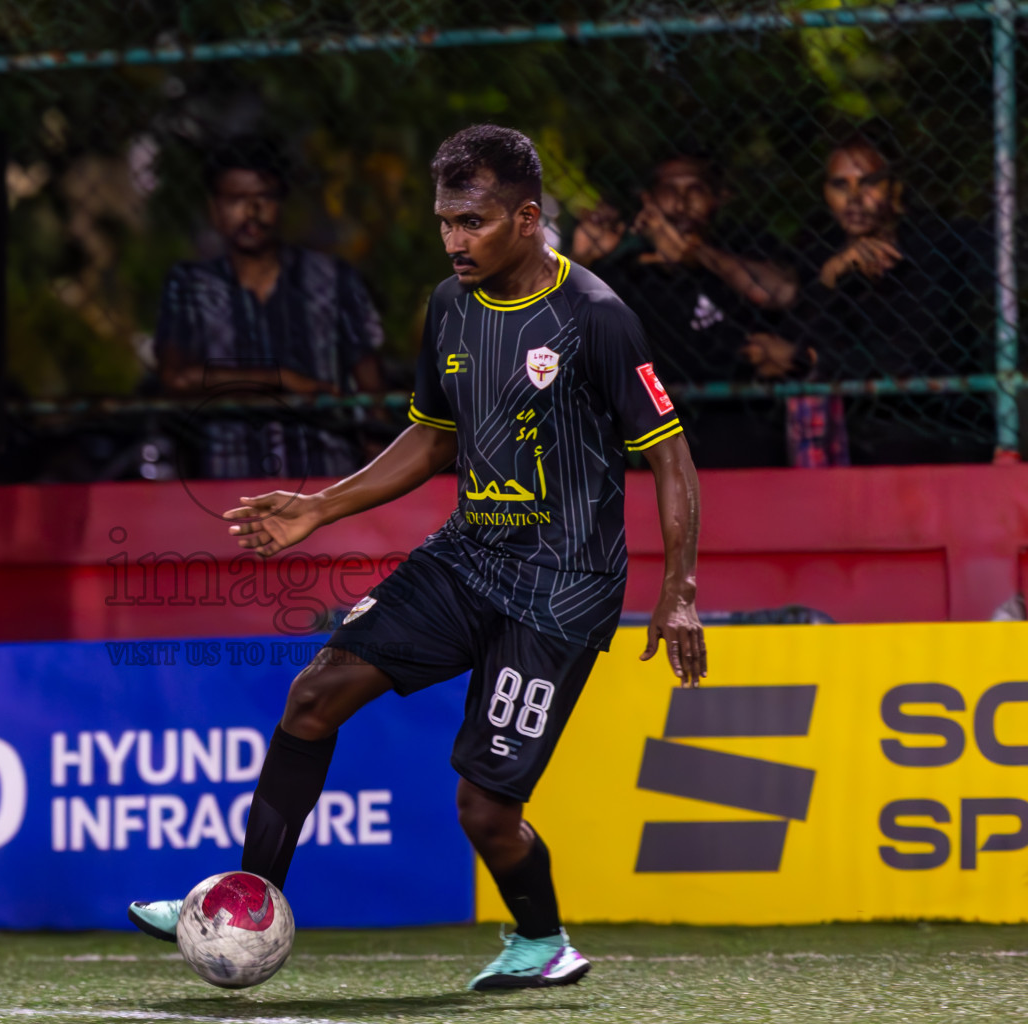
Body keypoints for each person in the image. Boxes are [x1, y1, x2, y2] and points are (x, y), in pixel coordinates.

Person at [128, 124, 707, 992]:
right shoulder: (450, 304)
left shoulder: (597, 316)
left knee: (485, 809)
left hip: (560, 591)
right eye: (444, 221)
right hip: (467, 558)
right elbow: (434, 438)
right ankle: (244, 896)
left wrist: (681, 591)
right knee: (314, 696)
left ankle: (542, 940)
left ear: (526, 217)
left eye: (471, 222)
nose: (453, 240)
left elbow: (670, 455)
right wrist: (319, 508)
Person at [155, 139, 385, 480]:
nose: (251, 211)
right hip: (228, 480)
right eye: (236, 199)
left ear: (281, 203)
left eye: (263, 198)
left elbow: (370, 385)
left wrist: (377, 464)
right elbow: (175, 378)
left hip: (327, 476)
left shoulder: (334, 280)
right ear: (214, 208)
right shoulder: (190, 286)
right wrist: (280, 380)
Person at [762, 135, 993, 464]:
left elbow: (912, 358)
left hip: (941, 427)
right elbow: (786, 344)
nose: (854, 198)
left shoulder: (936, 247)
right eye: (841, 185)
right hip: (855, 434)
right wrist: (830, 279)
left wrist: (812, 359)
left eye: (869, 183)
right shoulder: (817, 255)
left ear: (895, 191)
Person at [582, 155, 797, 467]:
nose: (681, 202)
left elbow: (782, 292)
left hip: (740, 423)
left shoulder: (742, 246)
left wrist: (698, 254)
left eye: (695, 189)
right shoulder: (623, 269)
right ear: (649, 200)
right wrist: (581, 259)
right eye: (669, 190)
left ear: (718, 197)